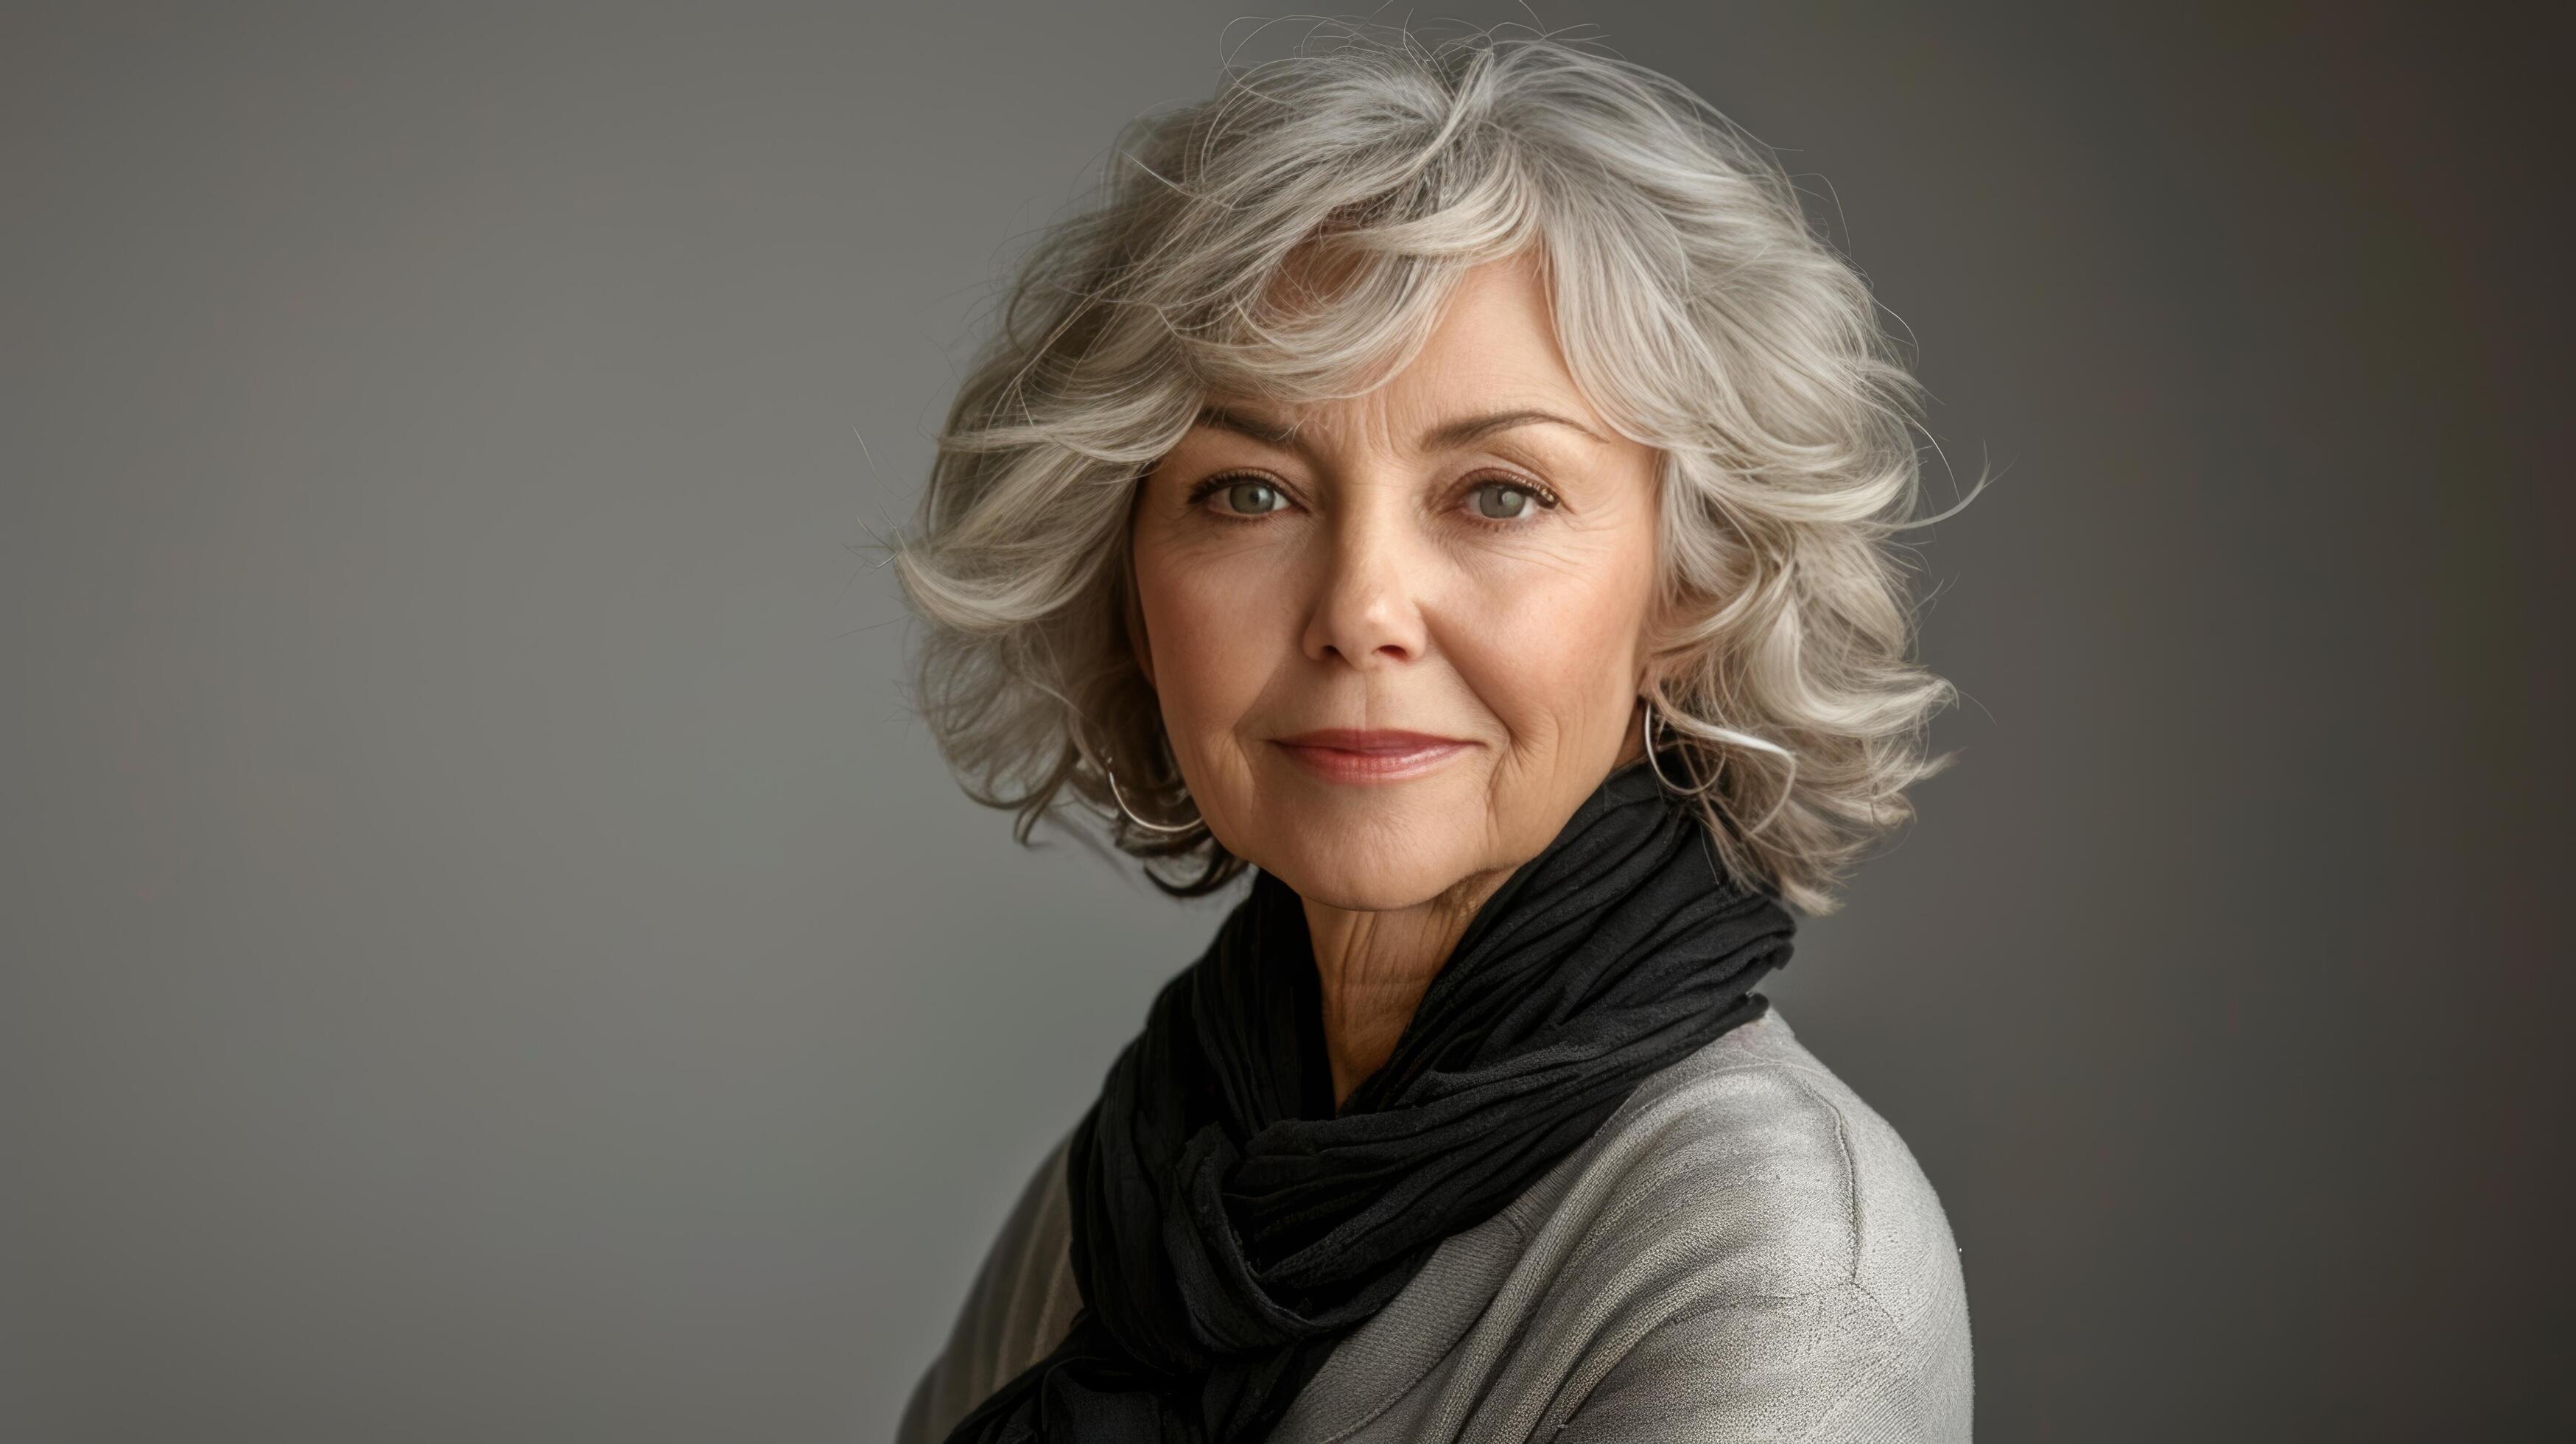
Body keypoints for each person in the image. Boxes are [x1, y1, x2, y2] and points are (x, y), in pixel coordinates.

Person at [889, 26, 1976, 1444]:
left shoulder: (1764, 1259)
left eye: (1499, 494)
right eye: (1248, 494)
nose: (1358, 612)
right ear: (1130, 583)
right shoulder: (1147, 1175)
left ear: (1692, 585)